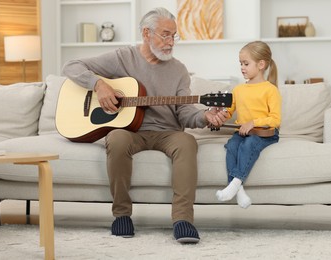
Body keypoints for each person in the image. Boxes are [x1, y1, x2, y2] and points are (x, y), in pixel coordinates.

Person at [62, 7, 228, 244]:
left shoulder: (179, 70)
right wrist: (98, 84)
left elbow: (186, 113)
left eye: (174, 36)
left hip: (167, 132)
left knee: (187, 142)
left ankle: (183, 220)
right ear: (146, 33)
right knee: (116, 139)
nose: (171, 42)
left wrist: (206, 118)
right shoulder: (123, 57)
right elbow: (71, 66)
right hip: (130, 131)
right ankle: (121, 215)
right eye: (165, 35)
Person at [216, 41, 281, 209]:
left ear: (261, 65)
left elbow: (275, 119)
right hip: (243, 132)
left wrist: (253, 122)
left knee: (249, 145)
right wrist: (223, 114)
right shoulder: (238, 90)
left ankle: (235, 182)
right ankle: (239, 191)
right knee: (232, 146)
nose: (242, 67)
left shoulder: (270, 89)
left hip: (265, 134)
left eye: (246, 63)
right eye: (240, 64)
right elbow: (229, 112)